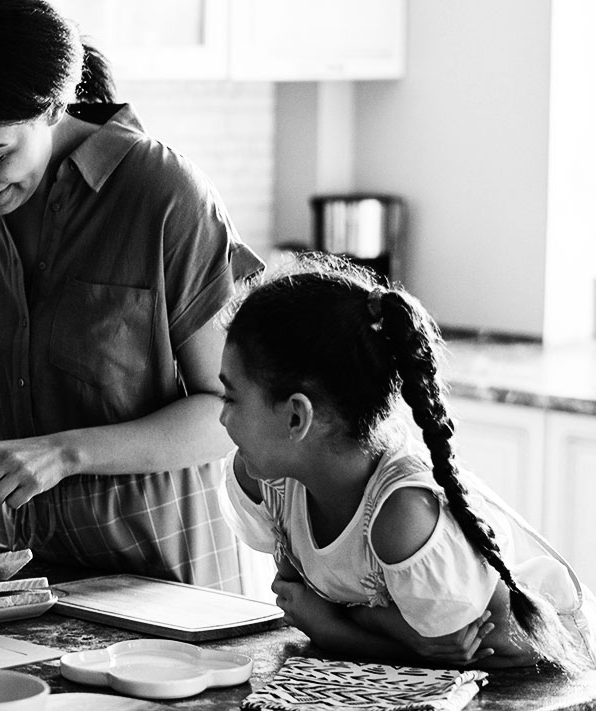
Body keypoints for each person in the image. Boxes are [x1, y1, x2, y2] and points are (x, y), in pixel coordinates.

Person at [0, 0, 264, 592]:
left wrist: (64, 454)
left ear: (55, 106)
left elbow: (228, 414)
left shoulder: (164, 196)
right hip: (21, 577)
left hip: (169, 580)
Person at [220, 254, 594, 670]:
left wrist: (340, 628)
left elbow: (471, 652)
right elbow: (297, 600)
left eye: (230, 397)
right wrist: (387, 628)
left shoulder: (403, 517)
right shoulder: (270, 480)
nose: (222, 417)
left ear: (296, 416)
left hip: (552, 669)